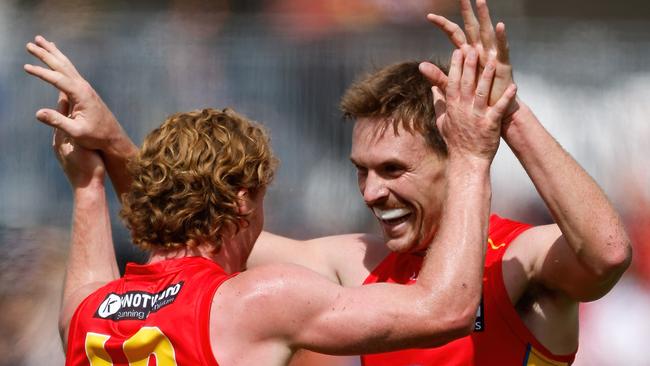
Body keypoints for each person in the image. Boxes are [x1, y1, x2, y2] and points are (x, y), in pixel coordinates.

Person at [25, 0, 631, 364]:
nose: (370, 193)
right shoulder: (355, 262)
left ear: (455, 157)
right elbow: (200, 231)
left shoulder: (518, 259)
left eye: (393, 170)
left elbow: (606, 252)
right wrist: (118, 147)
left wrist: (507, 115)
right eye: (361, 172)